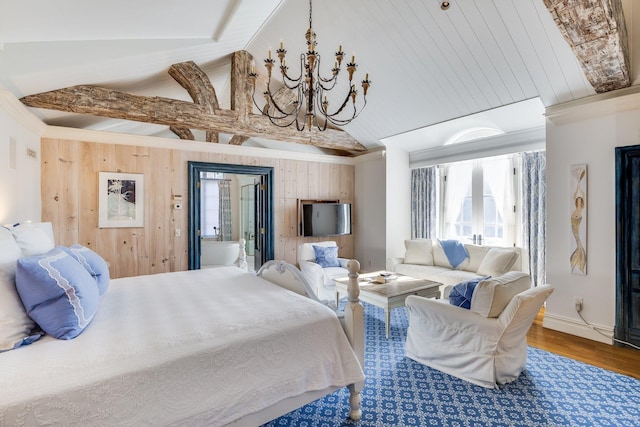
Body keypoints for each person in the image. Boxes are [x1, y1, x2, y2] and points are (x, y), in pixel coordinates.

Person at [570, 169, 586, 273]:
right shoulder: (575, 207)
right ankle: (577, 261)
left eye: (580, 200)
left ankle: (577, 260)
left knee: (579, 241)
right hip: (573, 221)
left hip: (577, 222)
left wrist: (581, 186)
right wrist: (577, 187)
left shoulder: (582, 208)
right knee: (577, 241)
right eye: (578, 200)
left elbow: (583, 195)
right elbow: (574, 195)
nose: (579, 201)